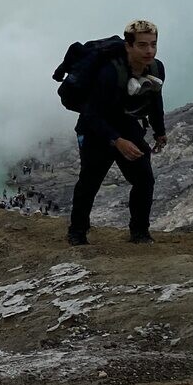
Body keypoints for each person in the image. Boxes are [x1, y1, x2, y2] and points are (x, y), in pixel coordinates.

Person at [69, 19, 167, 246]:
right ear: (128, 46)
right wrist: (116, 141)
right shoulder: (109, 73)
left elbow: (155, 98)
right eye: (142, 45)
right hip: (95, 130)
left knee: (144, 180)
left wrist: (159, 131)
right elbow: (92, 114)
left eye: (153, 44)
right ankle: (77, 233)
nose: (149, 50)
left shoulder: (156, 68)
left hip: (126, 125)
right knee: (90, 181)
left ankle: (140, 232)